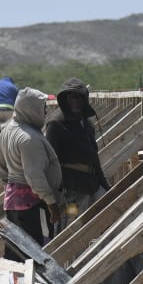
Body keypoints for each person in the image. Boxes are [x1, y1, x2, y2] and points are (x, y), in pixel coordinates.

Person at [0, 86, 62, 260]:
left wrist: (13, 187)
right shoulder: (29, 138)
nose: (45, 112)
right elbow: (34, 175)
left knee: (16, 249)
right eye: (43, 107)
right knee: (35, 251)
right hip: (33, 204)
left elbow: (0, 167)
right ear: (32, 109)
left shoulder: (8, 130)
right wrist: (51, 202)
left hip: (13, 201)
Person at [42, 77, 110, 225]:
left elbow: (94, 158)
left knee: (107, 215)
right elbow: (51, 161)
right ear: (65, 100)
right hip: (70, 189)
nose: (75, 101)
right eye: (71, 97)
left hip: (91, 184)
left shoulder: (86, 123)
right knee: (73, 225)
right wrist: (55, 195)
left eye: (78, 97)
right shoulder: (56, 124)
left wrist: (105, 186)